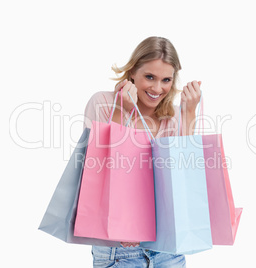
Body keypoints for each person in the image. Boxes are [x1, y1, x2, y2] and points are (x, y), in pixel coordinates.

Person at [82, 36, 201, 267]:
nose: (158, 88)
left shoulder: (173, 116)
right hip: (120, 251)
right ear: (133, 71)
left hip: (168, 248)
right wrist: (121, 110)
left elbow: (183, 178)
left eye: (166, 80)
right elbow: (99, 171)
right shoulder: (102, 103)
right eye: (149, 77)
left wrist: (189, 115)